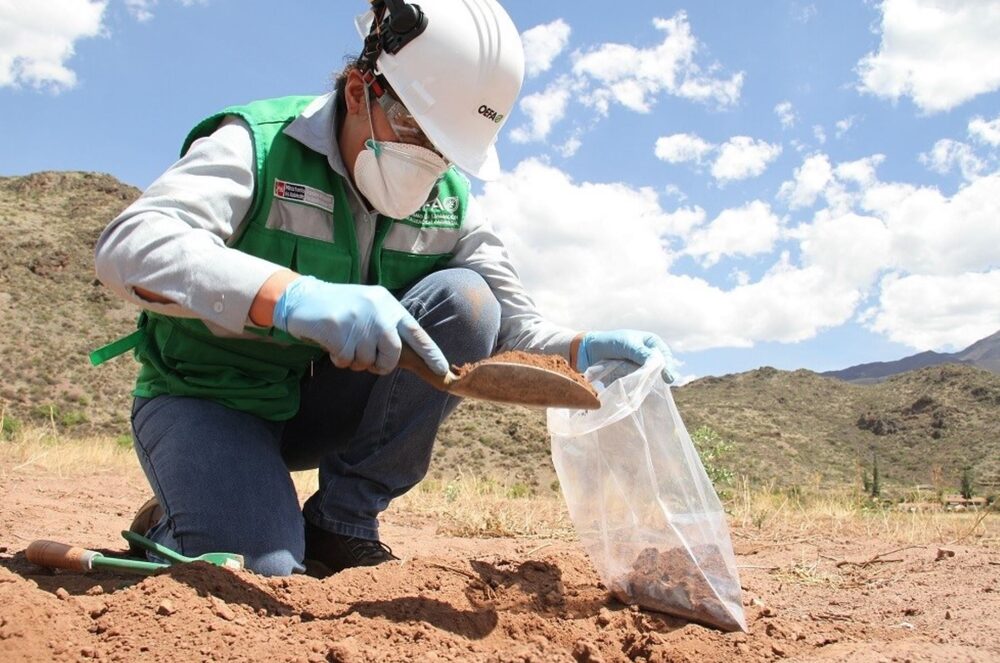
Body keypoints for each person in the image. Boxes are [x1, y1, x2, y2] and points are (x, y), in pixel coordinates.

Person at [93, 0, 674, 577]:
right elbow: (131, 245)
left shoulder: (451, 203)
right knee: (261, 565)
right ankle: (179, 522)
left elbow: (513, 328)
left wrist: (585, 351)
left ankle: (341, 521)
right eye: (414, 130)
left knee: (468, 302)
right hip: (209, 398)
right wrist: (292, 296)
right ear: (358, 91)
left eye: (444, 146)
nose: (428, 159)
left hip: (317, 408)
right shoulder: (258, 145)